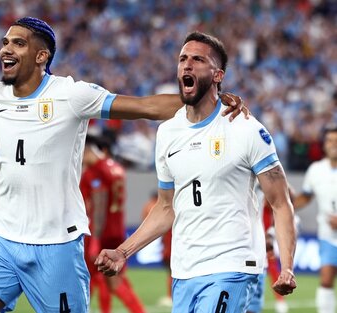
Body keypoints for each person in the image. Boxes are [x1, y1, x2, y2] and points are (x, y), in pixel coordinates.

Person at [0, 17, 245, 313]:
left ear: (41, 56)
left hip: (56, 246)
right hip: (1, 241)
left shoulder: (72, 95)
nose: (6, 48)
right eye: (5, 42)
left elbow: (148, 107)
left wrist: (210, 100)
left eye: (18, 43)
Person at [96, 31, 297, 312]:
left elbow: (280, 202)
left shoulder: (246, 128)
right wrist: (123, 251)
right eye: (182, 59)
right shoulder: (167, 133)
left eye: (198, 60)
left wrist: (287, 266)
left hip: (233, 266)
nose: (187, 65)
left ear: (218, 75)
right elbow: (167, 207)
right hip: (184, 271)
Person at [81, 135, 145, 313]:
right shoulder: (116, 168)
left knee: (89, 277)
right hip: (117, 230)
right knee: (112, 278)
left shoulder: (95, 171)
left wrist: (95, 239)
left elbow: (99, 205)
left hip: (99, 232)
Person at [293, 125, 337, 313]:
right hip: (328, 235)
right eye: (329, 141)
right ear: (324, 144)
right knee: (326, 280)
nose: (333, 144)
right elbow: (306, 196)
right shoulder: (316, 169)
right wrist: (284, 205)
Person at [141, 191, 173, 307]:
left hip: (170, 247)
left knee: (172, 272)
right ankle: (171, 296)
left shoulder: (154, 207)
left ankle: (171, 296)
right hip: (170, 246)